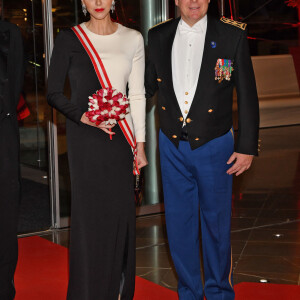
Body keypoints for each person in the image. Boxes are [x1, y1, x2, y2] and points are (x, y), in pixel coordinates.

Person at [145, 0, 259, 299]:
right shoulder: (158, 35)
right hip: (171, 144)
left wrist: (247, 146)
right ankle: (189, 292)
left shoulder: (231, 35)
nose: (193, 2)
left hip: (215, 144)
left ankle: (220, 291)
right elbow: (144, 87)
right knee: (179, 226)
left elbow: (247, 92)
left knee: (216, 225)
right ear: (177, 1)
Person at [47, 0, 147, 299]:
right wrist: (83, 117)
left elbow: (138, 94)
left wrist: (140, 146)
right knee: (89, 221)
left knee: (120, 218)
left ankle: (118, 292)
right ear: (82, 2)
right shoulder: (69, 38)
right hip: (85, 140)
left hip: (122, 141)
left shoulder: (133, 38)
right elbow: (53, 92)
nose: (99, 2)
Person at [0, 19, 24, 300]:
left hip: (3, 137)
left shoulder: (10, 33)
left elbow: (15, 84)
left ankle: (4, 288)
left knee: (5, 214)